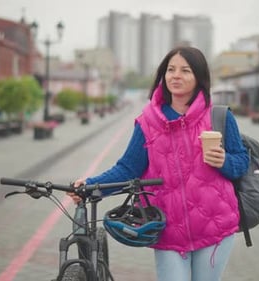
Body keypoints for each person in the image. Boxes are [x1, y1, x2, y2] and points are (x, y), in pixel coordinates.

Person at [68, 46, 249, 281]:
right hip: (168, 231)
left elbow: (242, 161)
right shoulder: (147, 123)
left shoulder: (219, 117)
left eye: (185, 70)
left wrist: (224, 160)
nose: (176, 75)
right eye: (171, 69)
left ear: (199, 78)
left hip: (215, 227)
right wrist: (91, 186)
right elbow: (128, 169)